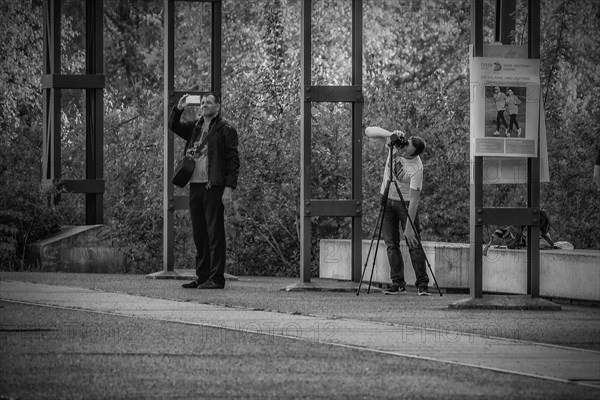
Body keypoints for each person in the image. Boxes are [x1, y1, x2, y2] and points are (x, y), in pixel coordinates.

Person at [169, 92, 240, 289]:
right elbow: (173, 126)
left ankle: (216, 278)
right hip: (195, 185)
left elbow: (233, 162)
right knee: (199, 233)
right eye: (202, 103)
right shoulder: (196, 127)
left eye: (208, 102)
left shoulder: (226, 129)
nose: (204, 105)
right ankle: (202, 276)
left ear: (217, 106)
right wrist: (179, 108)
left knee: (214, 233)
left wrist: (228, 188)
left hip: (213, 186)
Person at [365, 126, 430, 296]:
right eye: (404, 145)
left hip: (406, 203)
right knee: (391, 243)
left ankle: (422, 285)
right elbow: (368, 131)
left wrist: (408, 228)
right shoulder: (395, 144)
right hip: (386, 198)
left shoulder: (416, 168)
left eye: (406, 150)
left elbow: (415, 199)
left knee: (413, 243)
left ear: (414, 154)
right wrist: (391, 135)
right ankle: (397, 283)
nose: (402, 151)